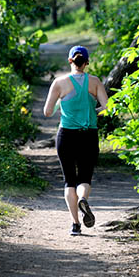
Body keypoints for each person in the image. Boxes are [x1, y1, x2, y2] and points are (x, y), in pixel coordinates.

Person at [43, 45, 108, 236]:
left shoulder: (59, 83)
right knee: (85, 177)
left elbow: (47, 112)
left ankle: (75, 225)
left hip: (66, 136)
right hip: (89, 135)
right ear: (87, 63)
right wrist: (92, 112)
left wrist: (60, 105)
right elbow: (108, 108)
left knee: (69, 180)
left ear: (70, 60)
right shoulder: (95, 82)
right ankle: (83, 199)